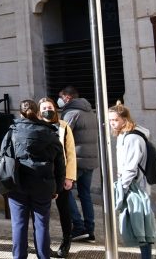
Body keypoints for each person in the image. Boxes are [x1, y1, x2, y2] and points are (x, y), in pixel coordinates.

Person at [4, 99, 65, 259]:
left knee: (19, 224)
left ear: (20, 113)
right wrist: (57, 187)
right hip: (43, 185)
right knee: (42, 225)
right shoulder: (50, 133)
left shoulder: (13, 131)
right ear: (38, 113)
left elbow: (3, 157)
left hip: (17, 184)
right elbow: (60, 163)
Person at [108, 103, 156, 259]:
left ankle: (146, 257)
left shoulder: (132, 138)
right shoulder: (125, 135)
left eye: (115, 120)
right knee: (140, 223)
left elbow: (130, 167)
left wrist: (122, 188)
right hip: (134, 184)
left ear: (124, 119)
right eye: (110, 120)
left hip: (136, 186)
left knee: (141, 224)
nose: (112, 123)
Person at [58, 86, 98, 242]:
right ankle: (90, 229)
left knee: (65, 191)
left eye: (61, 97)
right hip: (90, 160)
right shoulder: (90, 112)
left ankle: (79, 226)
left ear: (67, 97)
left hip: (76, 161)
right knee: (85, 194)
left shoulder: (71, 113)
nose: (59, 100)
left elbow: (62, 137)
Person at [39, 97, 77, 258]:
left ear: (55, 108)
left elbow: (71, 153)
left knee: (64, 210)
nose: (47, 110)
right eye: (44, 108)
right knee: (42, 212)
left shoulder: (63, 126)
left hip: (60, 175)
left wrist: (69, 177)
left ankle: (66, 241)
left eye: (49, 107)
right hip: (43, 176)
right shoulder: (37, 126)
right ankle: (43, 243)